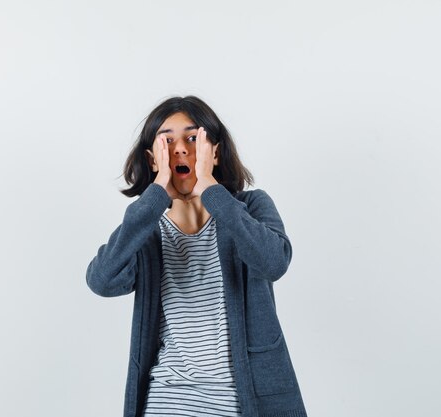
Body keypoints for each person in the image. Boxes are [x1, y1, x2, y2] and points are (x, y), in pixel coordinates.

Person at [86, 96, 307, 417]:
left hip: (247, 400)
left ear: (214, 152)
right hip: (167, 402)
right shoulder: (146, 227)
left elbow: (273, 262)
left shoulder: (251, 207)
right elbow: (101, 280)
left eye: (193, 138)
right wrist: (154, 198)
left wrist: (211, 190)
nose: (179, 148)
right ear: (152, 160)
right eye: (167, 141)